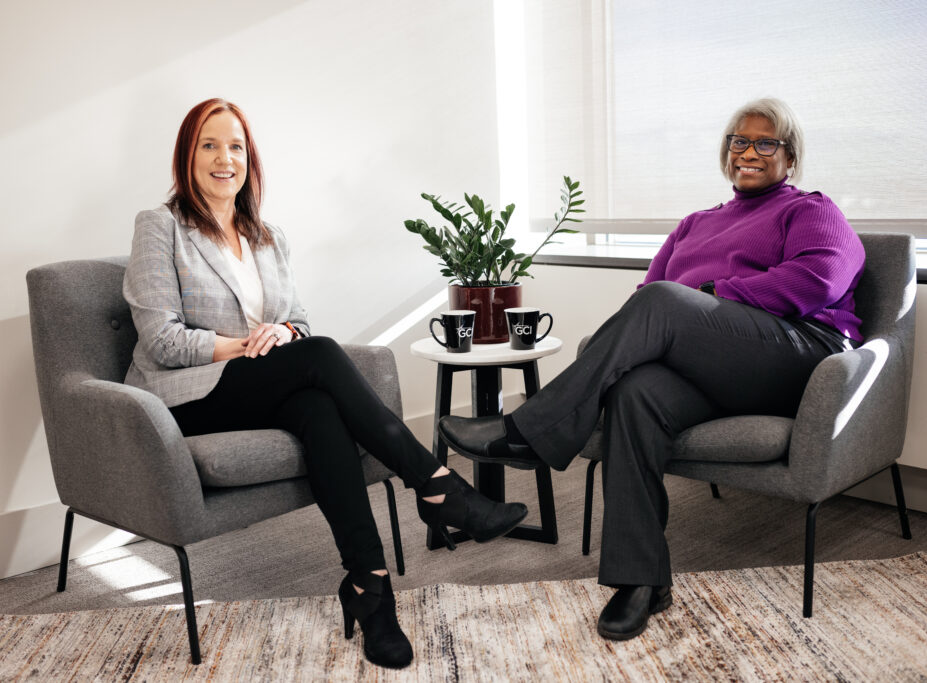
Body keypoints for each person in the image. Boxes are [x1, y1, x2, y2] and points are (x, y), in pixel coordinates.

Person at [122, 98, 528, 669]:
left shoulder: (266, 235)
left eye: (235, 146)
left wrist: (281, 333)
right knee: (320, 356)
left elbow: (299, 323)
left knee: (318, 404)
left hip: (261, 385)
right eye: (208, 145)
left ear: (249, 158)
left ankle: (370, 588)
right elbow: (160, 339)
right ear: (187, 157)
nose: (224, 158)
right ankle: (439, 489)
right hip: (188, 395)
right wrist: (244, 346)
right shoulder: (161, 226)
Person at [439, 97, 865, 641]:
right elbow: (645, 299)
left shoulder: (810, 210)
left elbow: (819, 280)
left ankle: (528, 429)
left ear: (791, 157)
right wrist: (684, 310)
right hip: (711, 366)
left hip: (793, 357)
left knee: (665, 301)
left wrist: (712, 294)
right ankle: (641, 580)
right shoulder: (694, 224)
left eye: (765, 142)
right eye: (739, 140)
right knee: (635, 392)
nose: (749, 152)